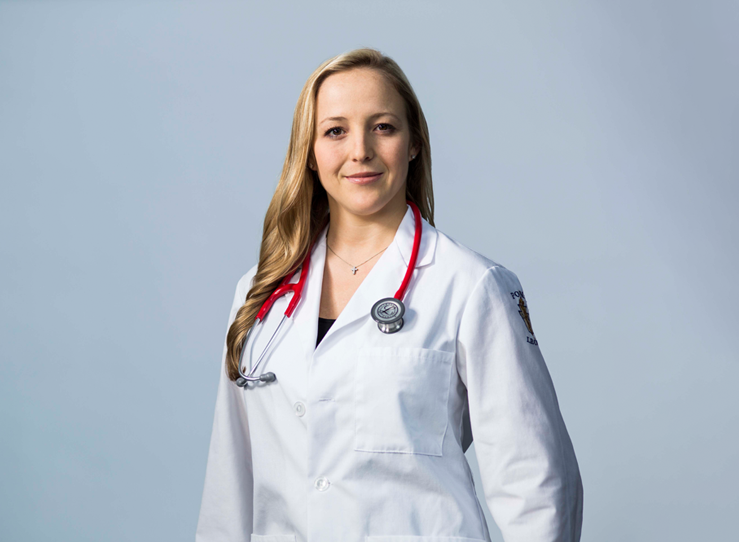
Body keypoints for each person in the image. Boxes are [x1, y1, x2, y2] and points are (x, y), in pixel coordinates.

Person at [196, 47, 583, 542]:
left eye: (383, 127)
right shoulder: (260, 293)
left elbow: (537, 486)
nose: (360, 150)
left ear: (415, 143)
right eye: (335, 130)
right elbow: (228, 487)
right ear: (310, 154)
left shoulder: (469, 287)